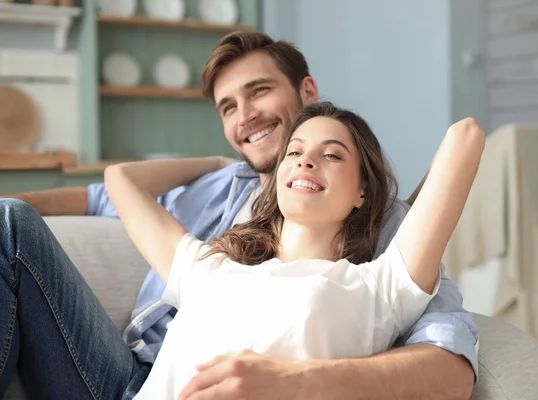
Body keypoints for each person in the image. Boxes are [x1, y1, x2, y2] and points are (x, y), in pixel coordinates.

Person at [1, 32, 481, 399]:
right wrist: (214, 165)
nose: (244, 116)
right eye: (228, 107)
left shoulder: (384, 247)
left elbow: (450, 364)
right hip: (126, 374)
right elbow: (110, 189)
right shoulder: (216, 238)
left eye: (259, 91)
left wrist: (293, 382)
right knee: (11, 220)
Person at [103, 101, 484, 400]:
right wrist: (223, 165)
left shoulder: (379, 285)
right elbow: (119, 179)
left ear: (362, 192)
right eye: (294, 152)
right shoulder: (208, 266)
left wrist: (399, 214)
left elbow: (465, 135)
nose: (306, 160)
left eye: (332, 155)